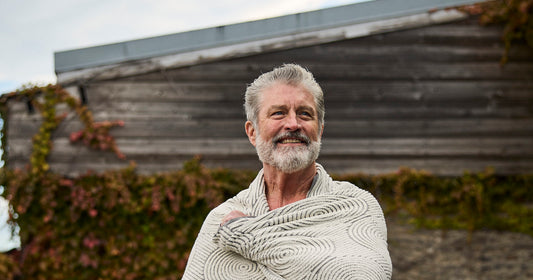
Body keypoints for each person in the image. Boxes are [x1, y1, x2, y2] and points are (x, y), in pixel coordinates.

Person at [182, 64, 392, 279]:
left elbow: (363, 274)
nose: (293, 124)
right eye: (278, 113)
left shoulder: (355, 206)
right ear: (252, 132)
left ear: (319, 130)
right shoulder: (220, 220)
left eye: (305, 114)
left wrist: (245, 234)